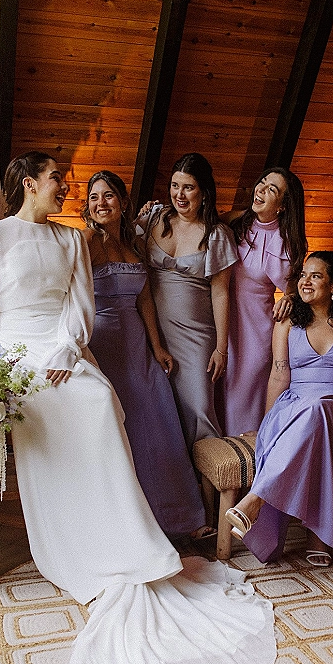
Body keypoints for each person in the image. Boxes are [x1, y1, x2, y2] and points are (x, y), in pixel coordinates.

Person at [0, 151, 275, 664]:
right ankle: (68, 547)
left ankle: (128, 538)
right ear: (30, 184)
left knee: (100, 398)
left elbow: (79, 310)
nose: (66, 187)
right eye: (57, 179)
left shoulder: (71, 241)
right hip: (12, 354)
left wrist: (65, 350)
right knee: (68, 412)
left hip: (59, 349)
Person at [224, 251, 333, 566]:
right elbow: (279, 374)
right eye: (303, 275)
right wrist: (265, 426)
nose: (305, 281)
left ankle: (255, 500)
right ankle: (319, 535)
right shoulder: (288, 320)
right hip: (297, 406)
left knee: (320, 410)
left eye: (315, 276)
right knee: (314, 414)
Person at [82, 170, 214, 541]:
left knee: (159, 424)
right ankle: (128, 525)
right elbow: (70, 295)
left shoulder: (136, 243)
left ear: (123, 203)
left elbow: (144, 298)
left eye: (109, 196)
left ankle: (180, 519)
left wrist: (157, 346)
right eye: (94, 197)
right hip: (103, 342)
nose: (101, 203)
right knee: (122, 430)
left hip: (138, 342)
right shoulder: (86, 240)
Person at [139, 153, 238, 450]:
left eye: (188, 187)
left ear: (204, 192)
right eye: (174, 185)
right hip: (150, 329)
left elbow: (221, 293)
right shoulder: (154, 217)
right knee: (157, 407)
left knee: (199, 408)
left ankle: (214, 484)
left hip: (196, 335)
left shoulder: (216, 235)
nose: (179, 195)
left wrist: (222, 347)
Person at [221, 167, 308, 436]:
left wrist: (290, 298)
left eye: (272, 189)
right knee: (218, 398)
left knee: (240, 402)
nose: (260, 189)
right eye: (262, 182)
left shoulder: (284, 242)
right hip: (220, 322)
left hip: (255, 332)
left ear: (282, 206)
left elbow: (294, 289)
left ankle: (245, 469)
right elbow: (200, 220)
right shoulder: (237, 222)